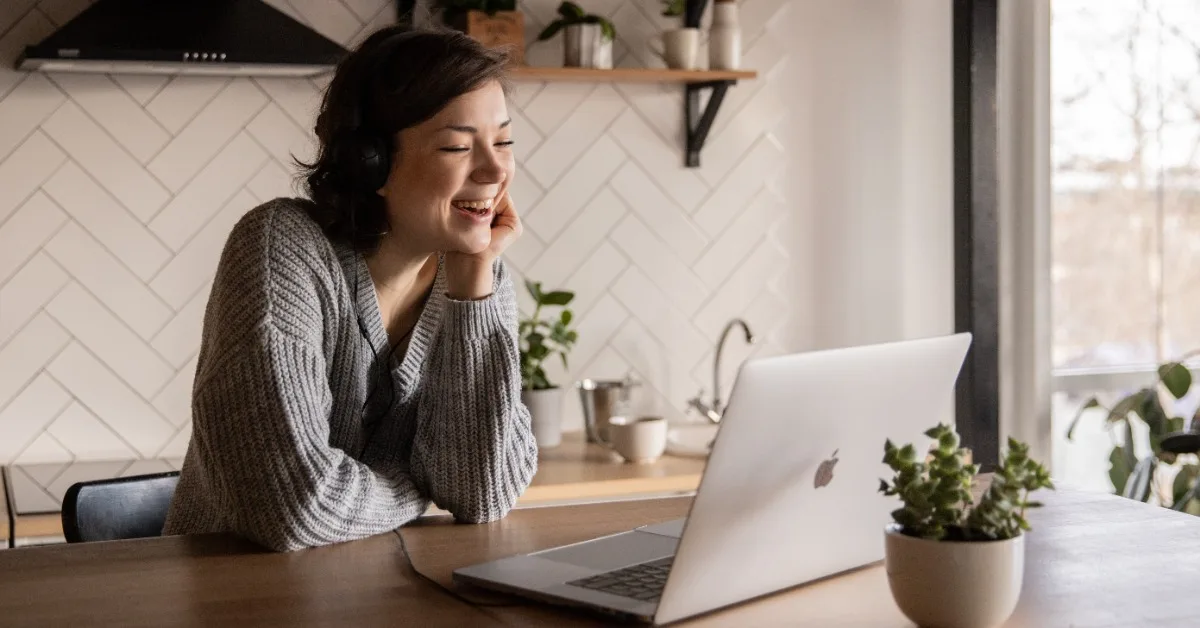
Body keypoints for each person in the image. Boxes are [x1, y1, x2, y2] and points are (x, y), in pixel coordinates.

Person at [161, 26, 539, 552]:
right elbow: (294, 507)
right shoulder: (282, 247)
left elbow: (482, 494)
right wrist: (416, 484)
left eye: (504, 141)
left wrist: (475, 288)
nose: (496, 170)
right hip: (232, 600)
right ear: (372, 163)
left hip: (376, 595)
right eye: (457, 145)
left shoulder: (477, 280)